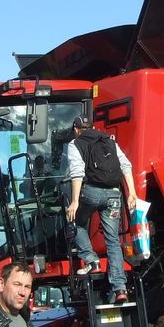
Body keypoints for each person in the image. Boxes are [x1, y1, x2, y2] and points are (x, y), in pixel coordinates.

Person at [65, 116, 137, 303]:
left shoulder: (76, 143)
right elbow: (126, 165)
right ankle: (120, 288)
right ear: (93, 127)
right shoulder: (109, 140)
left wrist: (74, 201)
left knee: (75, 222)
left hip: (92, 194)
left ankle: (91, 260)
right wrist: (132, 193)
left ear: (76, 129)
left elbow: (77, 172)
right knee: (113, 240)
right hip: (114, 195)